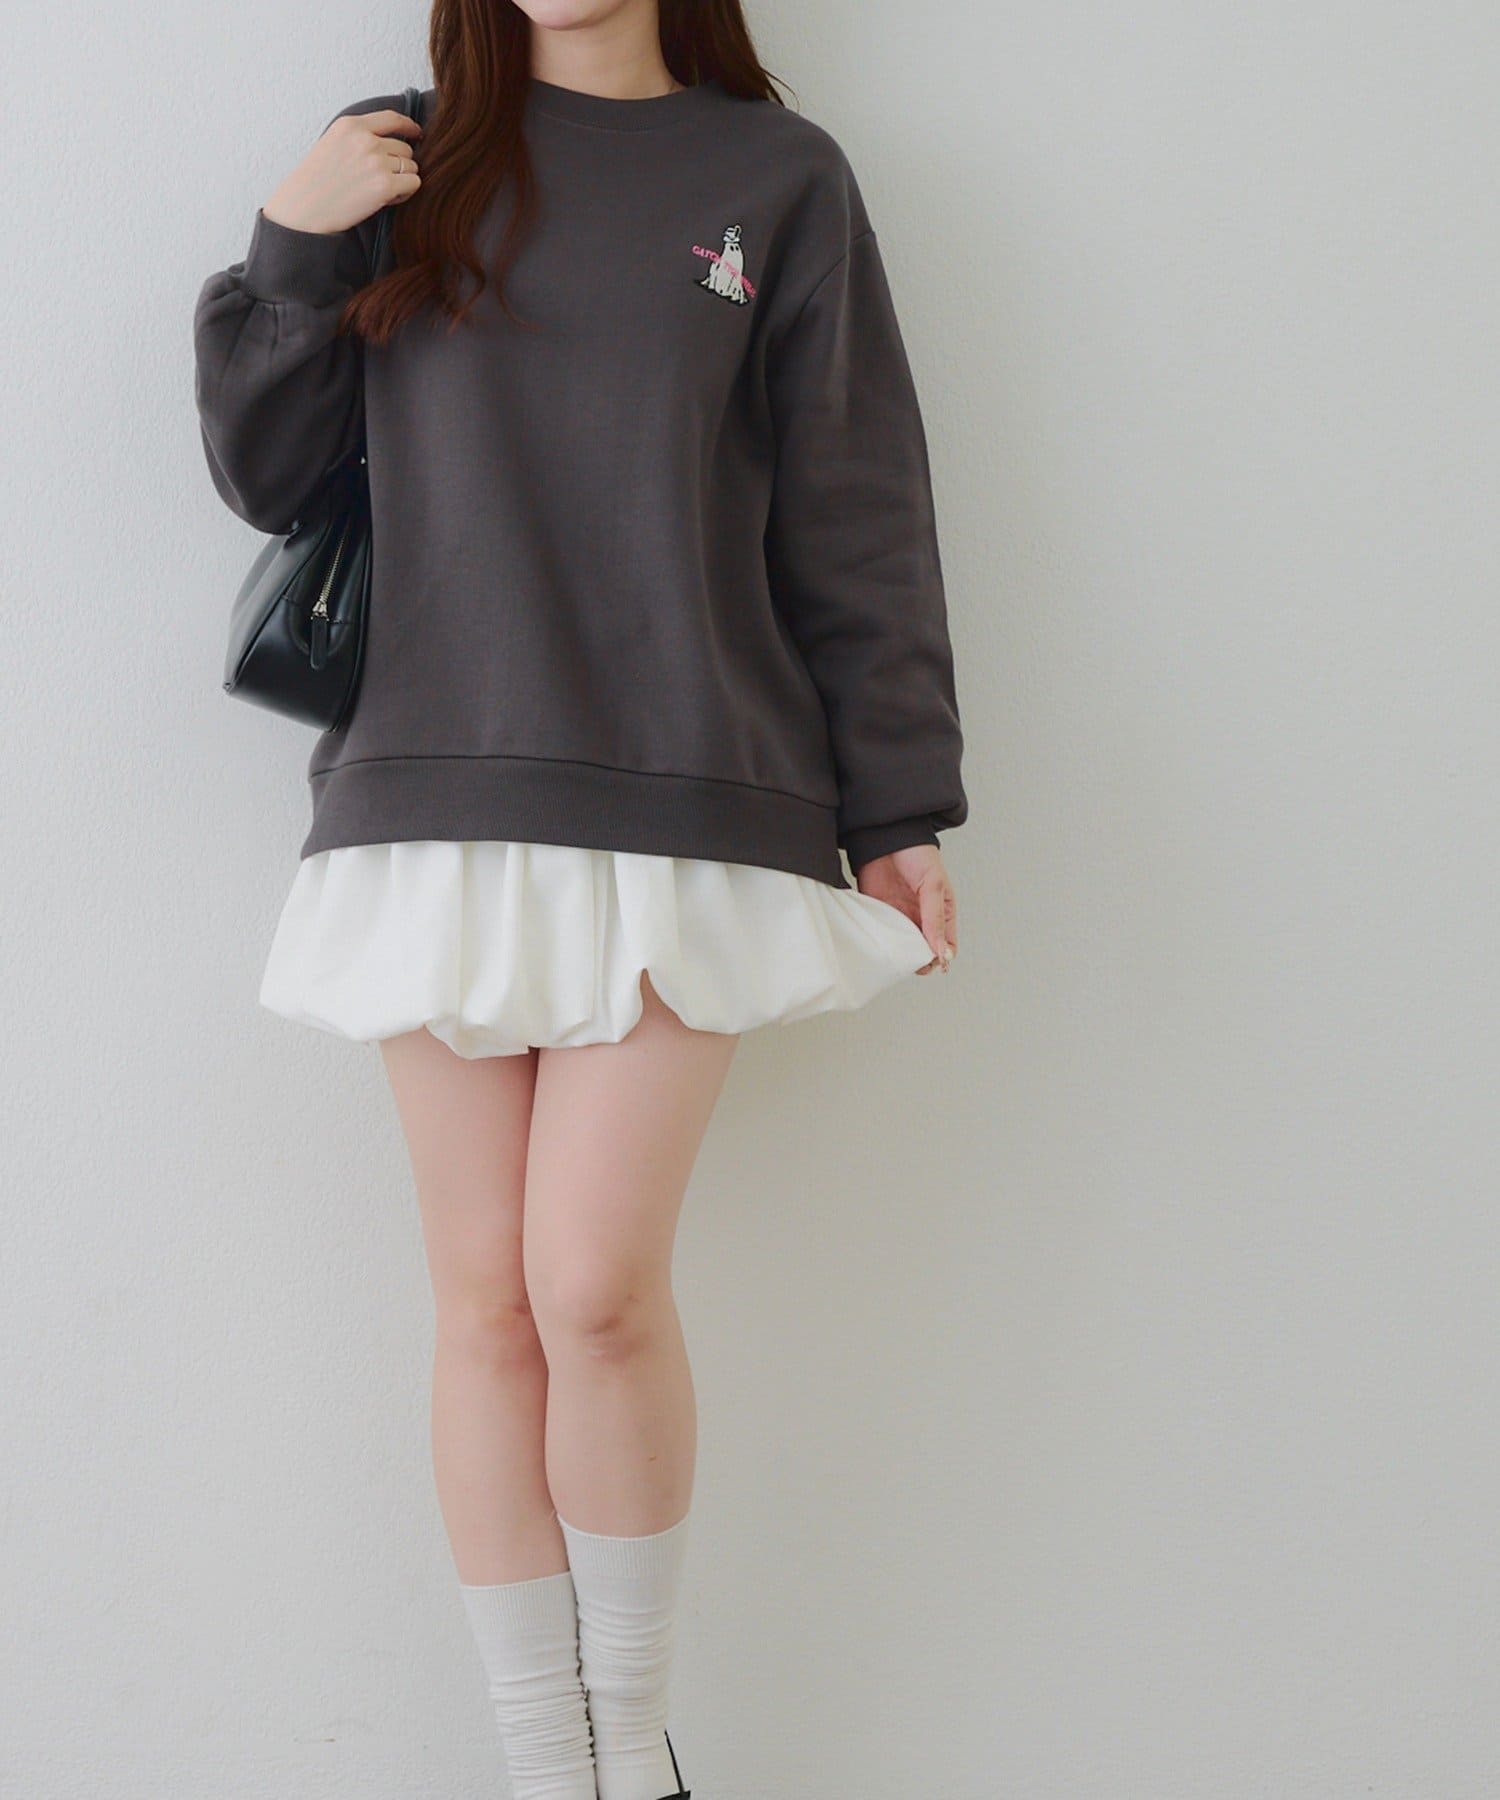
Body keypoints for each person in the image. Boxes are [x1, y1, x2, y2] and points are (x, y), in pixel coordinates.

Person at [191, 2, 967, 1795]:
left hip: (693, 790)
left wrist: (901, 798)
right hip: (435, 788)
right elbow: (261, 473)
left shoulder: (778, 178)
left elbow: (856, 503)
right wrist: (295, 239)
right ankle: (553, 1770)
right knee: (486, 1303)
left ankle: (638, 1746)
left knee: (593, 1288)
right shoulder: (398, 158)